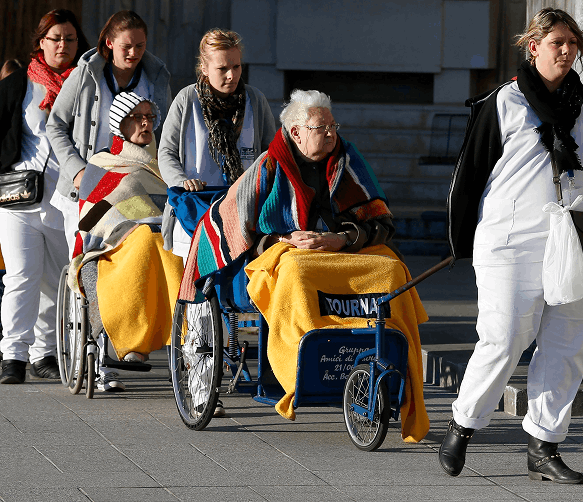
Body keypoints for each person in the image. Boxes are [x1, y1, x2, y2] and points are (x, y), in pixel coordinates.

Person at [175, 89, 429, 439]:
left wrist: (340, 239)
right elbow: (233, 224)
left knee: (392, 270)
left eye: (333, 126)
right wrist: (282, 240)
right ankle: (299, 366)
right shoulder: (269, 165)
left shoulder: (347, 160)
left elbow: (382, 223)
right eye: (321, 127)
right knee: (296, 269)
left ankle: (396, 369)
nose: (331, 133)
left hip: (341, 251)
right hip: (286, 253)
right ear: (296, 132)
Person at [441, 8, 583, 484]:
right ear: (533, 47)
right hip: (509, 239)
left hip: (569, 238)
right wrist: (461, 242)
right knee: (504, 336)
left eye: (573, 43)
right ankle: (463, 424)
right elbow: (467, 177)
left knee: (567, 343)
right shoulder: (504, 103)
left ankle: (544, 447)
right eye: (558, 42)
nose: (567, 51)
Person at [0, 9, 88, 384]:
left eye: (70, 39)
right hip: (18, 195)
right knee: (22, 275)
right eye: (55, 38)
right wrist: (15, 159)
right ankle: (13, 355)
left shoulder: (88, 82)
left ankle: (45, 351)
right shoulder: (20, 84)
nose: (63, 45)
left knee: (58, 277)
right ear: (40, 42)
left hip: (66, 195)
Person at [68, 91, 183, 392]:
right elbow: (93, 217)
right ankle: (132, 340)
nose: (146, 123)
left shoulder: (167, 163)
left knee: (171, 247)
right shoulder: (103, 162)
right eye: (137, 117)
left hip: (161, 241)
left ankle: (184, 335)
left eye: (150, 117)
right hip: (110, 249)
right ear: (120, 123)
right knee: (147, 237)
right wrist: (135, 223)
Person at [47, 9, 171, 248]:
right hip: (85, 186)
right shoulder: (84, 74)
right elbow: (55, 125)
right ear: (109, 43)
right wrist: (76, 171)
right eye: (126, 46)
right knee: (84, 267)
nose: (133, 53)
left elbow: (165, 134)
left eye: (140, 46)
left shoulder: (156, 78)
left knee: (125, 264)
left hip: (136, 190)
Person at [159, 28, 276, 257]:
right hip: (196, 210)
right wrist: (182, 182)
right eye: (222, 69)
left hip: (245, 211)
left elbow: (272, 155)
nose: (231, 75)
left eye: (237, 67)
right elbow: (166, 152)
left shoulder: (255, 99)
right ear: (204, 68)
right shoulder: (187, 99)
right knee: (196, 289)